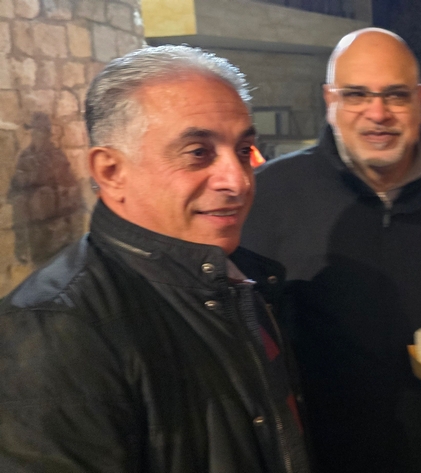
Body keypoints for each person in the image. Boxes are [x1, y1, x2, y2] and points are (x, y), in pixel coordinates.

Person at [0, 45, 309, 472]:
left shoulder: (244, 281)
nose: (238, 181)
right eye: (198, 152)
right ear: (111, 172)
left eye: (243, 150)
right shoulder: (54, 331)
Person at [241, 28, 421, 472]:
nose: (377, 113)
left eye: (395, 95)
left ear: (420, 99)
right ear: (330, 99)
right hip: (320, 456)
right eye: (356, 94)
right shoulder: (271, 196)